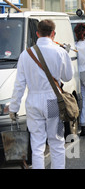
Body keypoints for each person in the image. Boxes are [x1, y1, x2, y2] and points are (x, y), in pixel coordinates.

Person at [9, 19, 73, 169]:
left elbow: (19, 84)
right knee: (56, 141)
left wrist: (14, 108)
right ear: (53, 34)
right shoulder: (60, 51)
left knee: (37, 144)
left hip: (33, 102)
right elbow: (68, 77)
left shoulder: (26, 54)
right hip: (53, 101)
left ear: (37, 33)